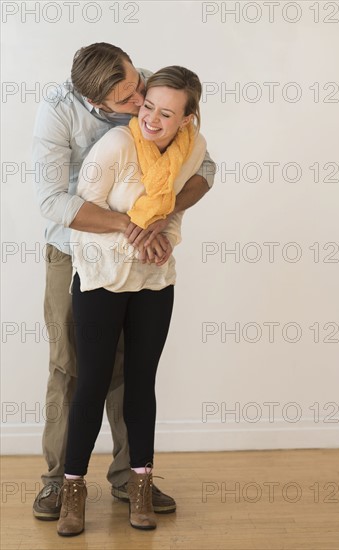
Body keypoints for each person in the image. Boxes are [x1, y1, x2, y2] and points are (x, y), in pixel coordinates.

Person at [32, 43, 215, 521]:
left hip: (145, 262)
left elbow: (202, 169)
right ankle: (58, 484)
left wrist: (162, 221)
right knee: (72, 368)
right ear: (98, 104)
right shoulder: (59, 115)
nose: (140, 104)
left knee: (132, 373)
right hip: (75, 251)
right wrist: (131, 226)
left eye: (138, 86)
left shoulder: (151, 89)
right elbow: (54, 202)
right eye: (128, 100)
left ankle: (129, 479)